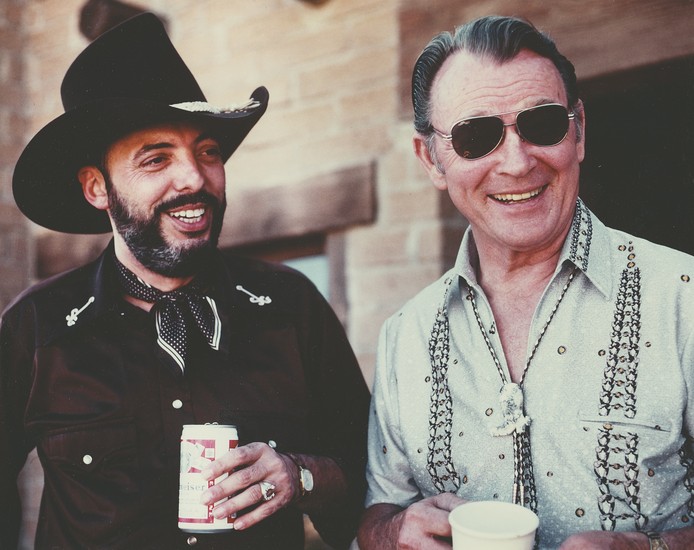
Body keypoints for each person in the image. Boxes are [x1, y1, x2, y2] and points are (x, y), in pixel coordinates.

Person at [0, 13, 370, 550]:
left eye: (208, 152)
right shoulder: (36, 326)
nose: (195, 178)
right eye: (157, 159)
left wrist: (301, 475)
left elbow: (368, 476)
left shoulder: (290, 305)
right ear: (97, 188)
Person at [357, 15, 694, 550]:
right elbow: (379, 509)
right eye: (476, 137)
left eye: (543, 124)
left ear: (578, 132)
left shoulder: (682, 299)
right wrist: (393, 531)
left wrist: (651, 548)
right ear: (431, 159)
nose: (516, 162)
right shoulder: (406, 336)